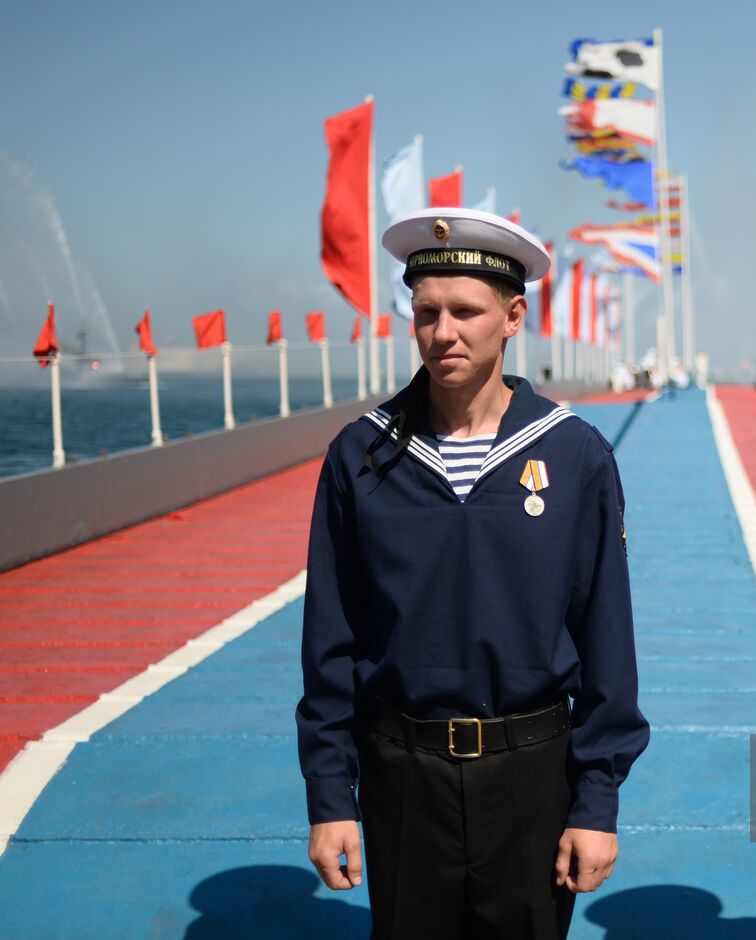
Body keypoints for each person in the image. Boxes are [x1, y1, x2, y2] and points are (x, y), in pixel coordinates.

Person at [296, 208, 649, 938]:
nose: (443, 332)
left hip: (531, 776)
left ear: (514, 316)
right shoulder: (360, 457)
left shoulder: (577, 455)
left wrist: (596, 804)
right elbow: (330, 639)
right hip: (403, 774)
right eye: (427, 313)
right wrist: (331, 797)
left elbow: (606, 638)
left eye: (466, 312)